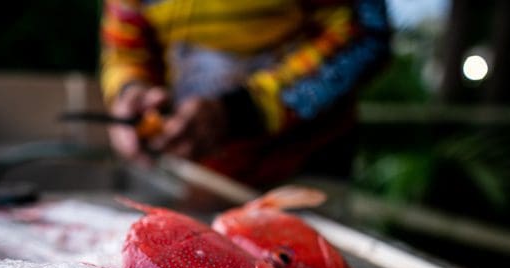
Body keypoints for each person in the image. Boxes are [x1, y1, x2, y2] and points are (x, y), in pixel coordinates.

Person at [100, 0, 392, 190]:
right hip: (195, 172)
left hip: (302, 167)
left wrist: (245, 109)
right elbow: (125, 48)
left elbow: (366, 33)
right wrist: (130, 89)